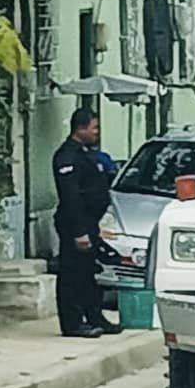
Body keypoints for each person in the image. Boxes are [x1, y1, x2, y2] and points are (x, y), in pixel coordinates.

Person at [52, 108, 122, 338]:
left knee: (88, 273)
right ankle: (72, 323)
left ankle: (94, 317)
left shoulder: (86, 154)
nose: (97, 132)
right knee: (71, 274)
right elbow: (71, 197)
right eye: (94, 128)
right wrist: (80, 232)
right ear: (80, 128)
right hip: (74, 224)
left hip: (89, 222)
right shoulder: (67, 157)